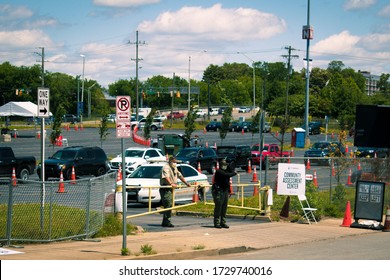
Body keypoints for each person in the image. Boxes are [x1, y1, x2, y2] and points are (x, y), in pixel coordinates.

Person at [159, 156, 191, 227]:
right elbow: (166, 176)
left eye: (176, 162)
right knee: (168, 205)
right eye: (174, 162)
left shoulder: (174, 168)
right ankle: (167, 221)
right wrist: (171, 183)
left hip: (171, 189)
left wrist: (186, 183)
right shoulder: (166, 167)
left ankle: (166, 222)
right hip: (166, 188)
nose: (175, 163)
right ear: (170, 161)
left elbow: (180, 175)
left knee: (170, 205)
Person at [212, 159, 237, 229]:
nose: (225, 166)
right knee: (218, 206)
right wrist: (234, 173)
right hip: (218, 190)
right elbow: (227, 175)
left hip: (225, 190)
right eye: (223, 165)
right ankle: (216, 222)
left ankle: (223, 222)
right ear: (220, 165)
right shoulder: (219, 172)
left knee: (224, 206)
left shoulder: (226, 171)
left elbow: (229, 175)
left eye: (225, 165)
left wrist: (229, 190)